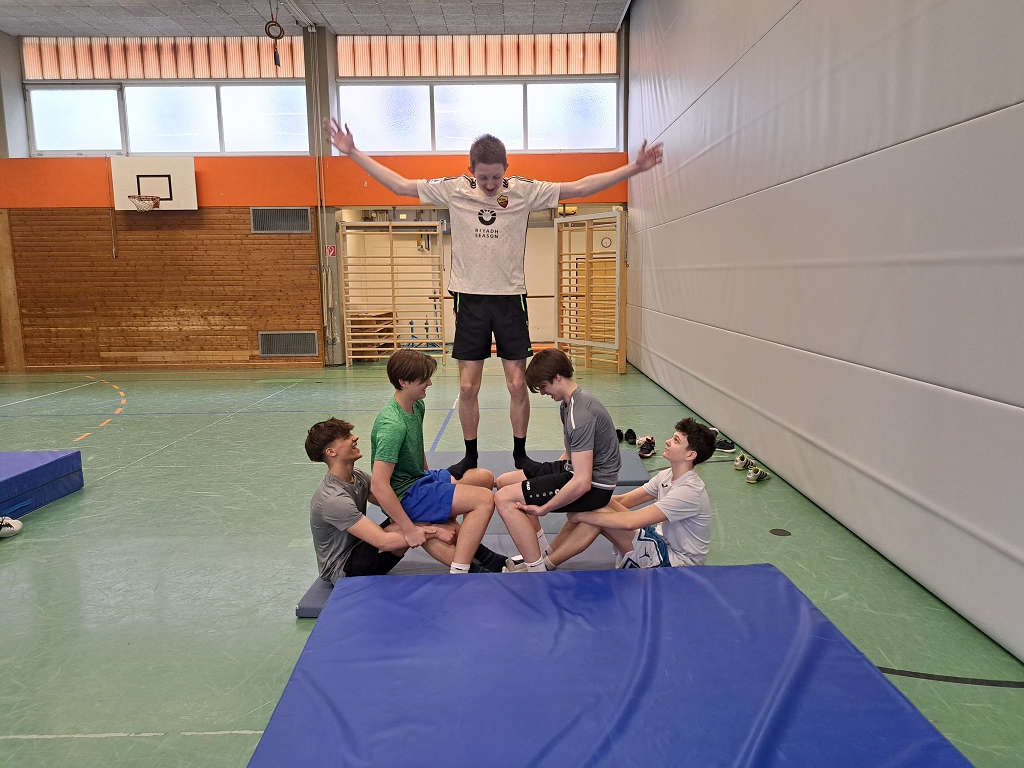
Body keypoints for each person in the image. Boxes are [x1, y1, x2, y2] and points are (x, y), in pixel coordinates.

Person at [326, 119, 663, 479]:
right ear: (471, 170)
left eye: (497, 176)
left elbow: (579, 188)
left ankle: (520, 454)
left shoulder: (524, 191)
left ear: (506, 168)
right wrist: (352, 151)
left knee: (518, 385)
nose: (490, 184)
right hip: (470, 299)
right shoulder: (454, 189)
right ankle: (470, 455)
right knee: (467, 387)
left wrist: (635, 167)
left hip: (509, 299)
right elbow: (400, 186)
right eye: (483, 177)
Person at [370, 348, 509, 574]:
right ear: (403, 382)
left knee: (483, 478)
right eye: (423, 379)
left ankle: (465, 541)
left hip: (419, 480)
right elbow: (379, 485)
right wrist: (408, 528)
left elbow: (416, 448)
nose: (430, 384)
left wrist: (434, 484)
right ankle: (461, 569)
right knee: (484, 500)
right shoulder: (392, 425)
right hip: (407, 494)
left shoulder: (416, 405)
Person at [491, 348, 620, 572]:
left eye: (543, 386)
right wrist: (545, 478)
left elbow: (582, 482)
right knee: (505, 482)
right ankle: (540, 551)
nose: (543, 393)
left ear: (558, 377)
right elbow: (570, 454)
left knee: (504, 499)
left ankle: (536, 569)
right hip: (575, 471)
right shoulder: (568, 404)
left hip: (595, 487)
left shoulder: (580, 415)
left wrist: (545, 507)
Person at [542, 418, 716, 570]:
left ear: (690, 455)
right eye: (672, 437)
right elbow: (624, 500)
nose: (668, 441)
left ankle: (543, 566)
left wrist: (581, 515)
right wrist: (583, 496)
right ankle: (546, 554)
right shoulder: (667, 475)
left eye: (676, 440)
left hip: (676, 563)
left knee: (596, 518)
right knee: (596, 504)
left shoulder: (689, 491)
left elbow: (629, 522)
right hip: (660, 540)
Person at [305, 417, 454, 582]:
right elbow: (384, 542)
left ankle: (467, 556)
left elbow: (393, 503)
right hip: (342, 568)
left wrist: (433, 501)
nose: (355, 437)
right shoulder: (333, 499)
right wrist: (433, 531)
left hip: (361, 545)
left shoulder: (358, 476)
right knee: (414, 525)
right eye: (347, 437)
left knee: (416, 514)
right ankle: (462, 567)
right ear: (331, 452)